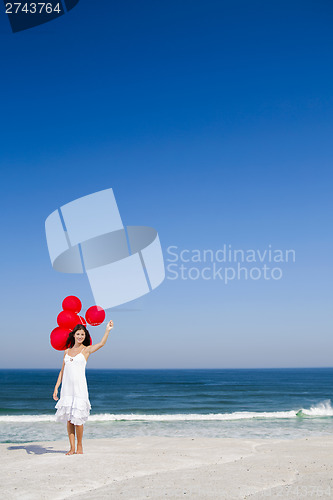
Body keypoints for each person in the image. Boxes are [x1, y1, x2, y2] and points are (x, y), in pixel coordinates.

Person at [53, 320, 114, 455]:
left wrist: (107, 330)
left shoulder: (86, 350)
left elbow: (102, 343)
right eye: (78, 334)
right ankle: (71, 448)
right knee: (69, 420)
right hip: (67, 390)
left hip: (80, 389)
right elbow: (62, 371)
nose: (80, 336)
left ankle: (80, 447)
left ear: (85, 336)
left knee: (78, 419)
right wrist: (57, 387)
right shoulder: (66, 352)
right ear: (73, 335)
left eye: (83, 334)